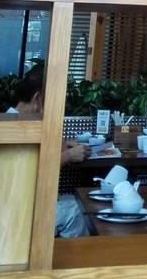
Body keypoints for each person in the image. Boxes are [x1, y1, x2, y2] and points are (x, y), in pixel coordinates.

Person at [7, 66, 89, 236]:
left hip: (30, 201)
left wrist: (61, 146)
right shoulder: (13, 128)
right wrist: (67, 156)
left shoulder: (21, 122)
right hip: (18, 209)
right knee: (77, 210)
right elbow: (25, 174)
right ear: (38, 99)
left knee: (78, 201)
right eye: (54, 103)